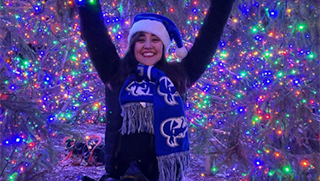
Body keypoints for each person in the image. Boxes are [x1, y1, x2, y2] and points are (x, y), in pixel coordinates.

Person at [76, 0, 235, 180]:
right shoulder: (117, 74)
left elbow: (210, 35)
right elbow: (94, 33)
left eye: (155, 39)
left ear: (164, 46)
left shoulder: (178, 77)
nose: (148, 45)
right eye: (141, 39)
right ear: (133, 45)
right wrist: (87, 4)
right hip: (122, 175)